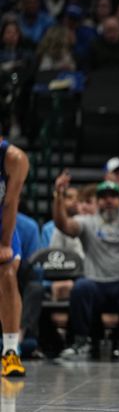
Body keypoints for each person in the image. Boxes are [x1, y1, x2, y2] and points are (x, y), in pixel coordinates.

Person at [53, 177, 119, 360]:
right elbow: (63, 225)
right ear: (97, 201)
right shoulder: (87, 222)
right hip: (96, 285)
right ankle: (81, 342)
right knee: (80, 286)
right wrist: (58, 196)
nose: (109, 200)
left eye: (113, 196)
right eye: (103, 197)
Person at [0, 139, 29, 377]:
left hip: (2, 224)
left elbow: (10, 203)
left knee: (7, 273)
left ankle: (10, 351)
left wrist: (5, 244)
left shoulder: (14, 158)